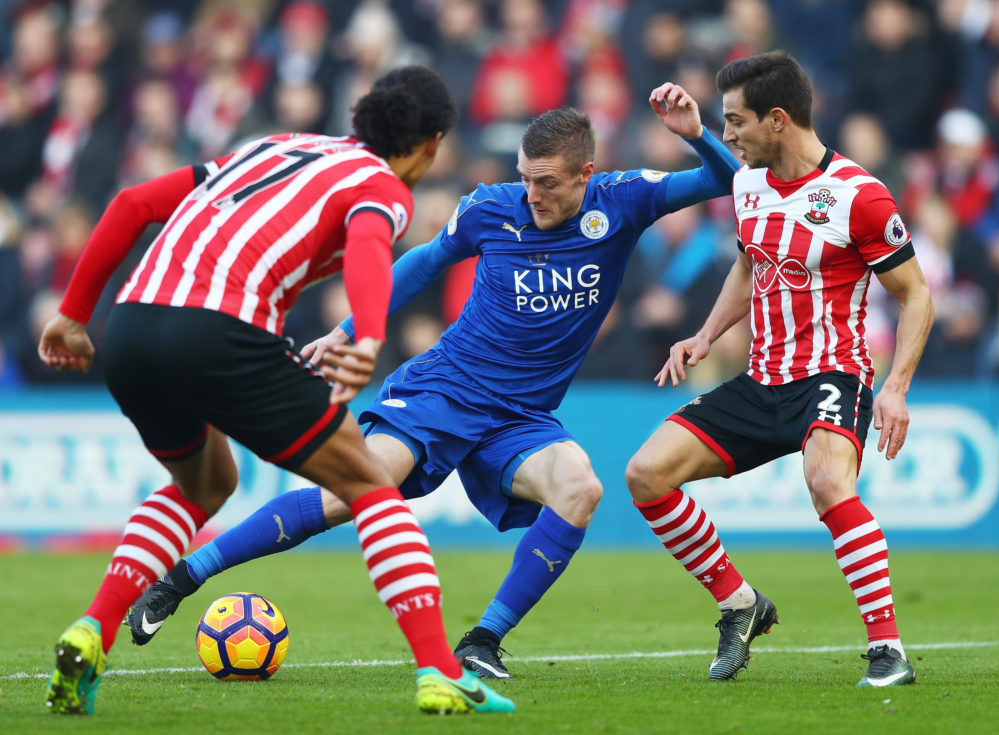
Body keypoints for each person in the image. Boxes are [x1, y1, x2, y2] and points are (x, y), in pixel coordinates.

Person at [123, 83, 741, 679]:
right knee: (352, 491)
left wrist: (697, 134)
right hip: (444, 390)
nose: (531, 195)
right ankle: (181, 579)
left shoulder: (625, 200)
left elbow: (723, 179)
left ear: (585, 174)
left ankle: (482, 640)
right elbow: (420, 265)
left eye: (547, 183)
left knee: (579, 487)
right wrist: (347, 329)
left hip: (521, 416)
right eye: (525, 177)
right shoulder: (490, 209)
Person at [37, 65, 515, 716]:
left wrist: (72, 313)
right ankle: (438, 670)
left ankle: (92, 627)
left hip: (130, 327)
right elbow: (373, 242)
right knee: (370, 484)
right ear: (432, 143)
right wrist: (369, 337)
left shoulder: (273, 145)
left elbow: (132, 206)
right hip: (217, 330)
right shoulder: (382, 184)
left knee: (205, 484)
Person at [624, 50, 933, 687]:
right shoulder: (746, 185)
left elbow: (917, 294)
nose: (727, 135)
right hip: (763, 378)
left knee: (827, 484)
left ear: (778, 120)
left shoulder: (859, 196)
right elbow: (749, 265)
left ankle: (888, 651)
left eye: (735, 122)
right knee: (646, 475)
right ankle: (740, 603)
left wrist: (896, 388)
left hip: (832, 375)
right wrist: (705, 335)